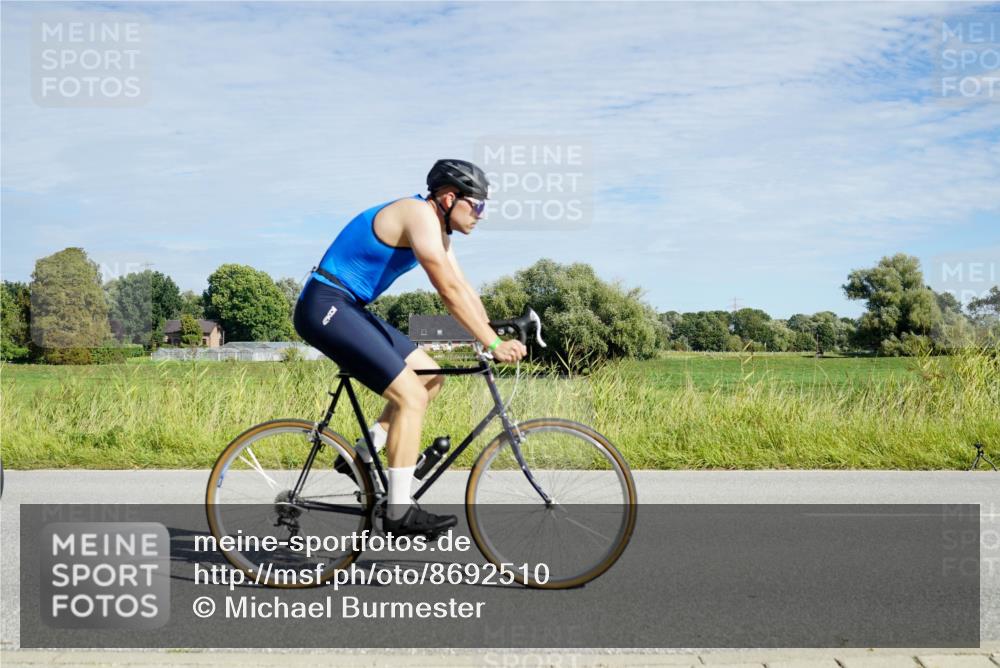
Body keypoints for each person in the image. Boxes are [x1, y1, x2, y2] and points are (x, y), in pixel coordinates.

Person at [293, 159, 527, 537]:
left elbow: (461, 285)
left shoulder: (438, 228)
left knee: (431, 378)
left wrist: (491, 329)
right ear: (450, 198)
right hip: (326, 304)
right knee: (411, 397)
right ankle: (399, 513)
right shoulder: (418, 214)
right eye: (478, 204)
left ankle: (362, 454)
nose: (482, 215)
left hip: (349, 306)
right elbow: (446, 290)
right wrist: (492, 343)